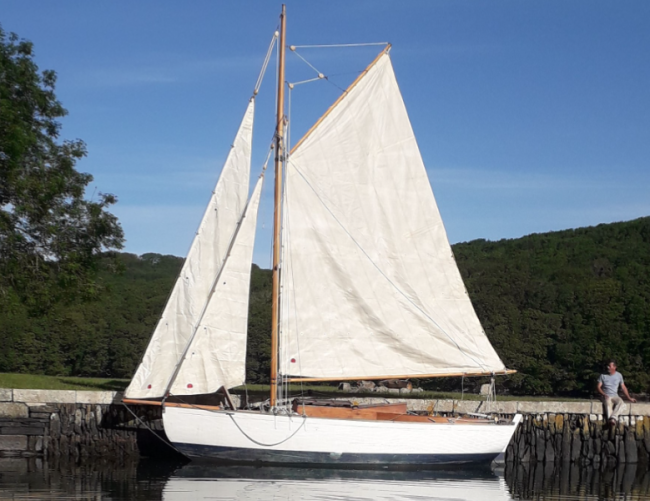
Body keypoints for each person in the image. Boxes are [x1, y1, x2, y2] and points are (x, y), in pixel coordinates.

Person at [597, 359, 636, 426]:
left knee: (621, 403)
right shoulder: (602, 375)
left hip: (615, 395)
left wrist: (629, 398)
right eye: (607, 366)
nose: (608, 367)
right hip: (606, 395)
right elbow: (598, 387)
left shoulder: (619, 375)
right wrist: (603, 394)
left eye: (609, 366)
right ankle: (610, 420)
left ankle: (613, 417)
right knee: (608, 403)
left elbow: (623, 387)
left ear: (614, 367)